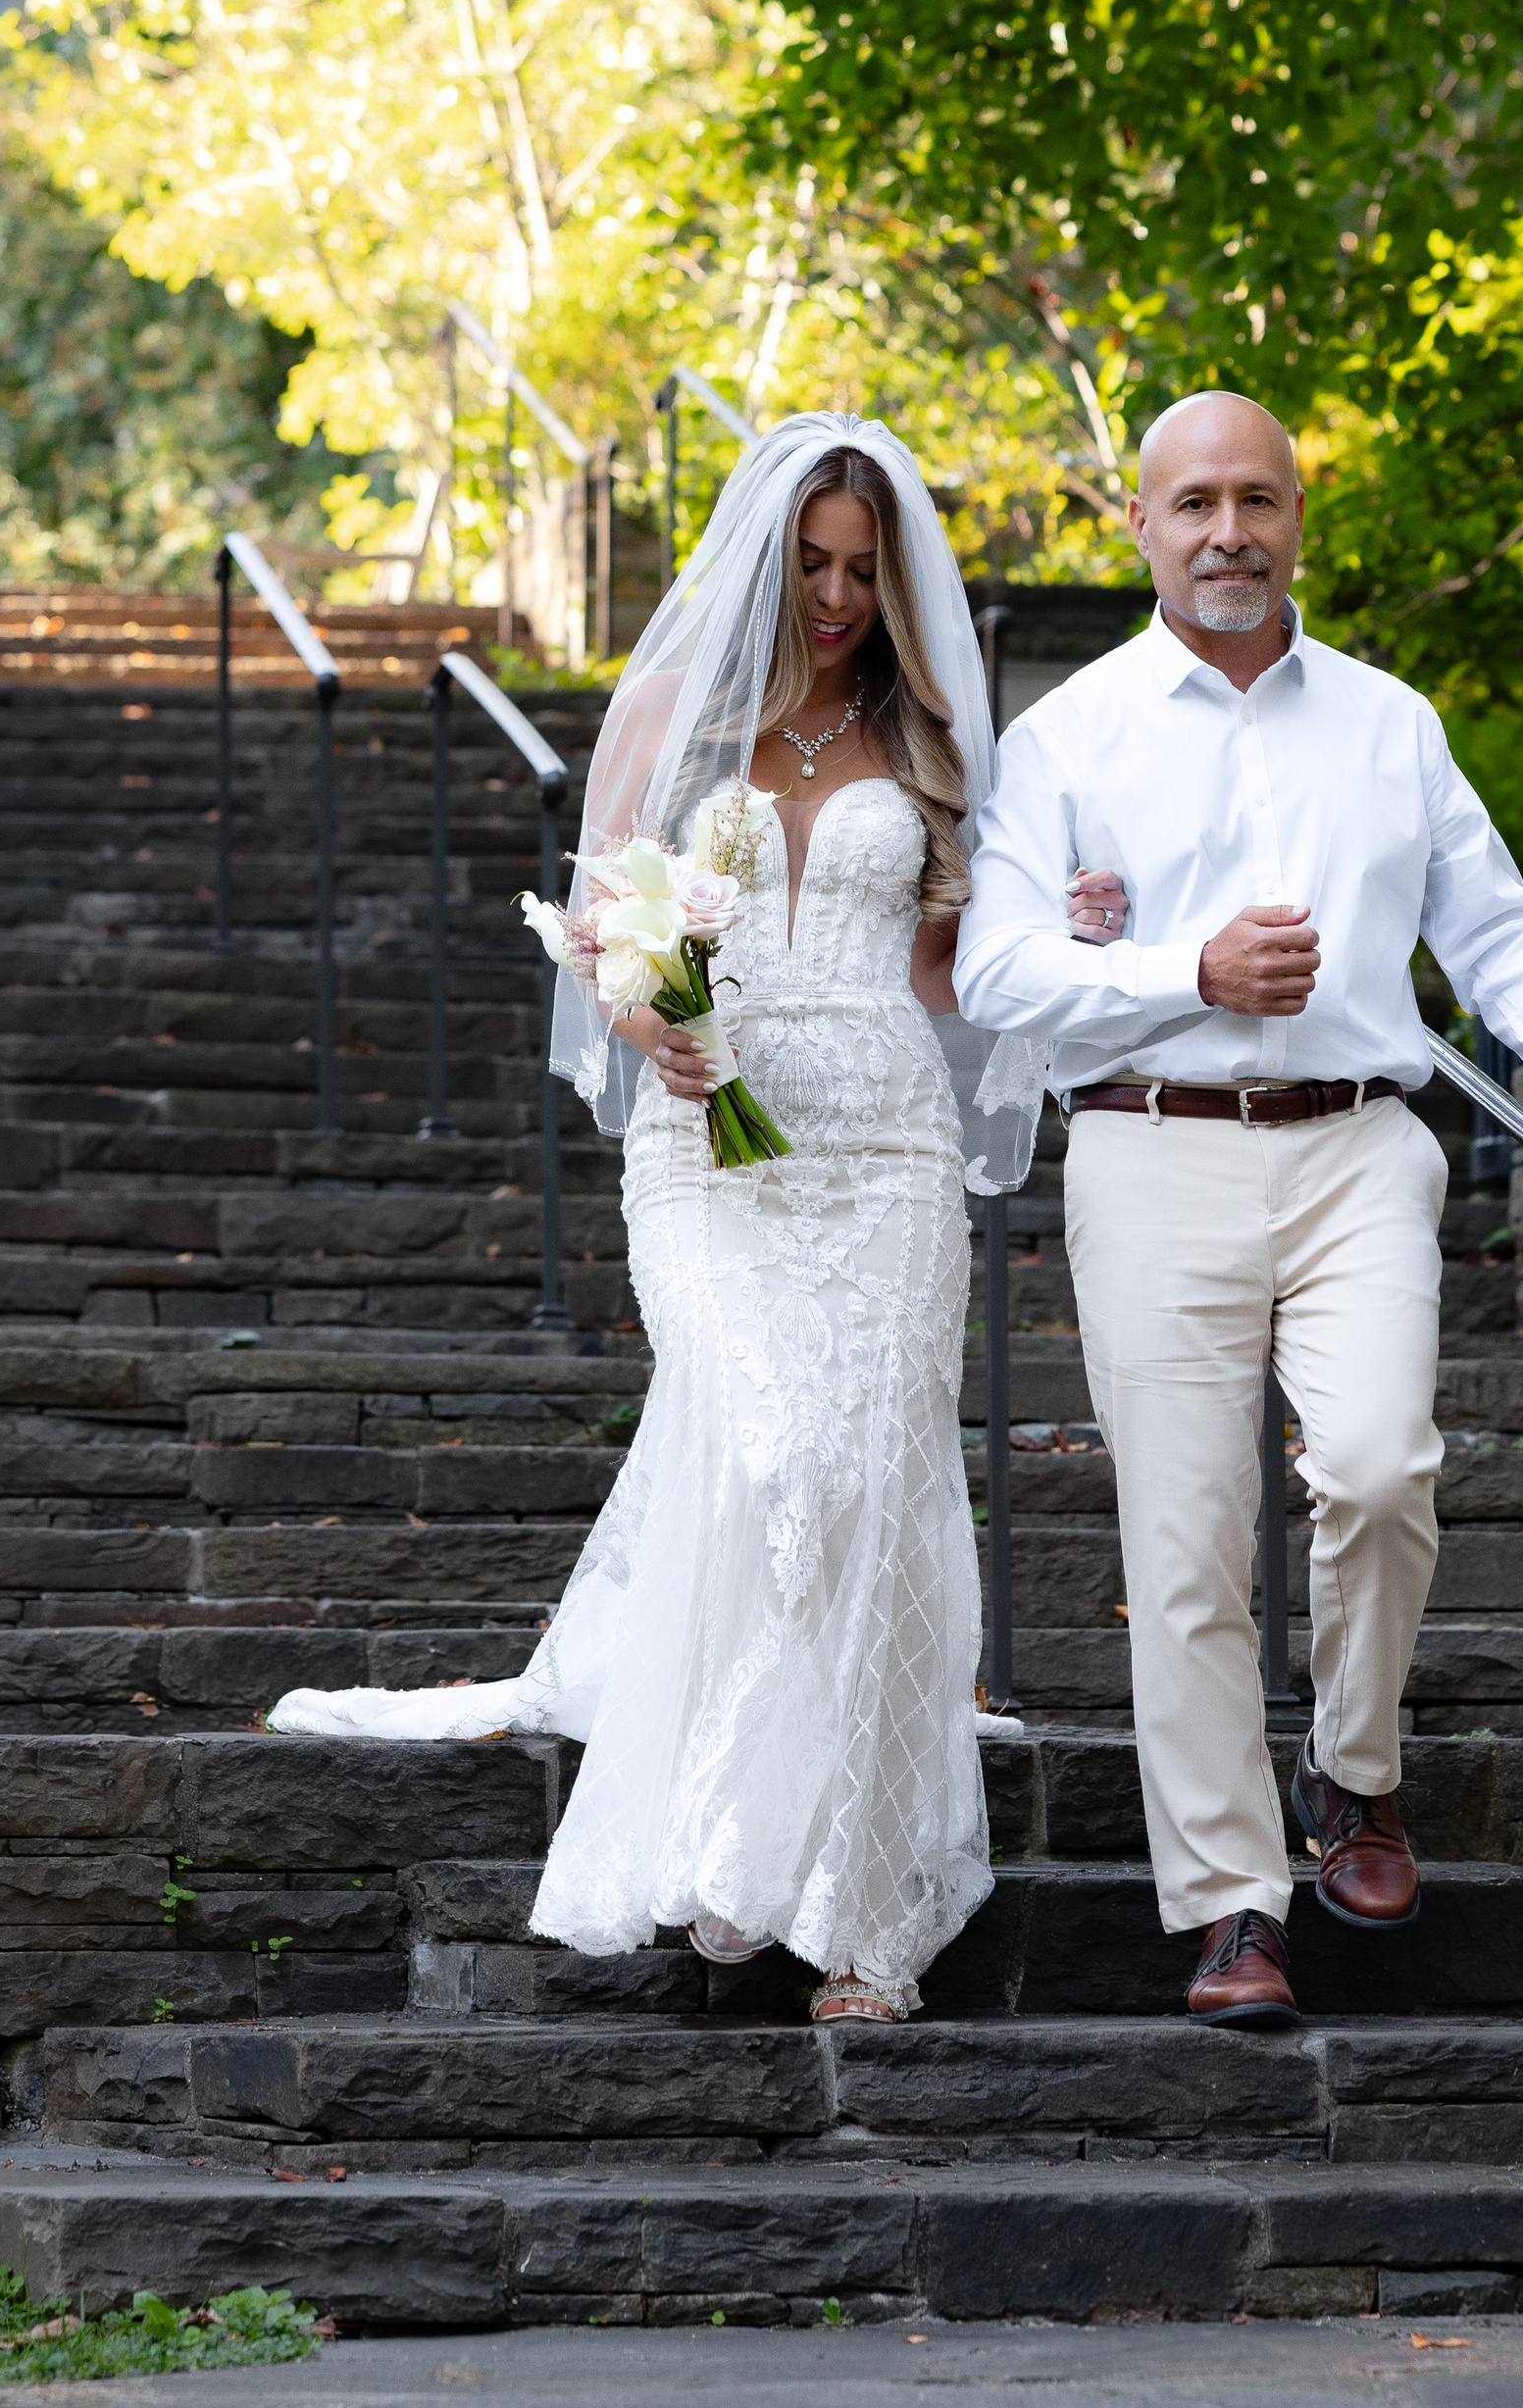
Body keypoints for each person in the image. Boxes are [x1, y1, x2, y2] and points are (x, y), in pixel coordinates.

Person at [267, 413, 1068, 2025]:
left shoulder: (924, 741)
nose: (838, 596)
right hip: (713, 1153)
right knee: (776, 1450)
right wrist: (652, 1026)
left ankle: (858, 1911)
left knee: (873, 1480)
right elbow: (602, 929)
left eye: (864, 570)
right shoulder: (667, 712)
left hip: (888, 1146)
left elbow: (948, 974)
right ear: (765, 558)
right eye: (814, 565)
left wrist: (1062, 913)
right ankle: (731, 1827)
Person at [954, 390, 1523, 2032]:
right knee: (1188, 1536)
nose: (1230, 531)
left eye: (1259, 500)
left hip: (1363, 1141)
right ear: (1139, 526)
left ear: (1301, 517)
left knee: (1378, 1467)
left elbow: (1494, 931)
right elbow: (1001, 966)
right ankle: (1230, 1903)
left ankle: (1353, 1773)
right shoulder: (1066, 734)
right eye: (1196, 503)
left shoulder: (1389, 721)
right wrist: (1180, 969)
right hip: (1150, 1148)